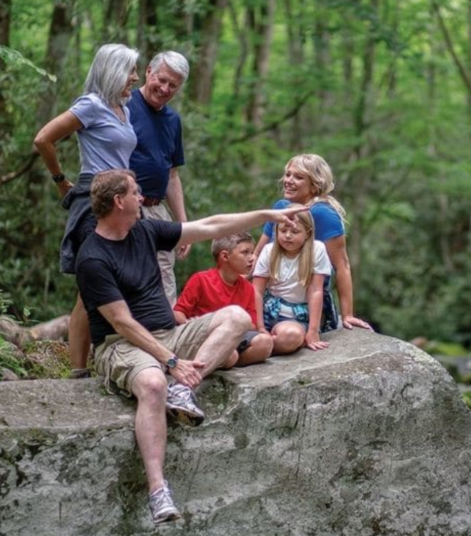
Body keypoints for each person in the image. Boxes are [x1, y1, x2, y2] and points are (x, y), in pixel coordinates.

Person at [75, 169, 306, 524]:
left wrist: (266, 215)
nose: (143, 199)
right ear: (119, 201)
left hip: (169, 333)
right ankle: (158, 490)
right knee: (152, 384)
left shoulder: (145, 230)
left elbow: (211, 226)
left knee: (237, 318)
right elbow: (122, 323)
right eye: (136, 194)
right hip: (122, 344)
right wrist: (169, 361)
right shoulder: (92, 257)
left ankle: (183, 389)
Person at [34, 43, 139, 377]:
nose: (135, 78)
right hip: (95, 202)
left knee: (120, 285)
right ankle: (78, 371)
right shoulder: (91, 105)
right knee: (88, 290)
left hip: (122, 203)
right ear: (112, 72)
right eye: (130, 71)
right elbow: (43, 139)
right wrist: (60, 180)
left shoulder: (124, 108)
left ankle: (112, 360)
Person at [256, 154, 372, 333]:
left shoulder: (323, 214)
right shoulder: (280, 208)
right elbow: (258, 254)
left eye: (298, 177)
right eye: (288, 175)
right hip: (272, 296)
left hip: (306, 302)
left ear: (315, 184)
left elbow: (342, 265)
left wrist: (347, 314)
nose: (289, 181)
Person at [128, 51, 191, 304]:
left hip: (157, 209)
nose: (164, 88)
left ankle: (164, 338)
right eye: (161, 80)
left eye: (172, 85)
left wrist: (183, 224)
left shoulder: (173, 120)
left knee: (164, 276)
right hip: (124, 207)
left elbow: (172, 175)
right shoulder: (124, 104)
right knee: (127, 276)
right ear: (148, 72)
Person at [173, 232, 274, 366]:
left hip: (236, 336)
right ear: (225, 256)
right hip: (206, 337)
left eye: (251, 252)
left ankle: (229, 361)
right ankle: (223, 359)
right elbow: (178, 312)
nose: (252, 258)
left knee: (265, 343)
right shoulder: (200, 280)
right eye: (245, 253)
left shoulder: (248, 288)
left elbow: (252, 324)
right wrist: (190, 323)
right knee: (229, 356)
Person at [252, 207, 332, 354]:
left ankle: (261, 346)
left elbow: (315, 290)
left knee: (291, 337)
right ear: (276, 231)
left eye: (295, 232)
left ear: (307, 233)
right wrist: (260, 327)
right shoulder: (269, 250)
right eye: (283, 231)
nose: (288, 236)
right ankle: (258, 344)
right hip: (267, 313)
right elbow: (257, 291)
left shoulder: (317, 249)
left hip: (296, 318)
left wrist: (313, 331)